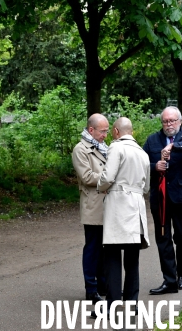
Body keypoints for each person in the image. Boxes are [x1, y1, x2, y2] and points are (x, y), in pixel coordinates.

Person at [143, 106, 182, 295]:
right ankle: (169, 281)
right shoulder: (152, 140)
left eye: (172, 121)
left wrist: (174, 146)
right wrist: (155, 166)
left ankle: (181, 274)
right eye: (165, 121)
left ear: (179, 121)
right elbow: (141, 163)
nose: (168, 124)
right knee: (163, 239)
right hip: (160, 198)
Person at [97, 117, 151, 311]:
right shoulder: (143, 153)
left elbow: (108, 176)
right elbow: (146, 188)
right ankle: (131, 302)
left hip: (119, 206)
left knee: (111, 256)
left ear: (116, 131)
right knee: (132, 258)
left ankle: (112, 303)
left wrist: (100, 187)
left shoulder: (116, 148)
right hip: (136, 207)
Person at [72, 113, 109, 303]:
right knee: (93, 248)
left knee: (105, 249)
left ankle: (103, 285)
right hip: (93, 206)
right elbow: (87, 177)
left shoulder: (103, 147)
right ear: (91, 130)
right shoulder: (80, 150)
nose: (105, 135)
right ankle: (91, 289)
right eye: (103, 131)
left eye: (107, 131)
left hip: (107, 205)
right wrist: (109, 175)